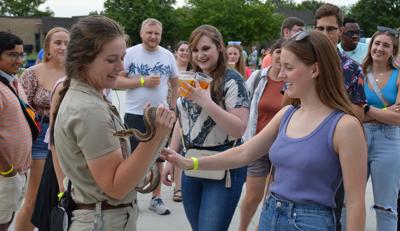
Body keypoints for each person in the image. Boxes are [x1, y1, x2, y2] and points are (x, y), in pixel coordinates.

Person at [163, 31, 367, 231]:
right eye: (280, 66)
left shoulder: (345, 126)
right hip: (271, 213)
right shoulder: (287, 114)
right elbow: (244, 153)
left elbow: (356, 202)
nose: (280, 74)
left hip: (310, 222)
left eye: (288, 67)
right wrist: (191, 163)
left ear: (314, 70)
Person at [51, 15, 175, 231]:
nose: (121, 66)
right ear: (83, 60)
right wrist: (155, 136)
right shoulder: (89, 110)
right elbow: (115, 187)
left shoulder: (89, 97)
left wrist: (140, 169)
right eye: (112, 59)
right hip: (103, 221)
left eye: (122, 57)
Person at [161, 25, 250, 231]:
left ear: (219, 48)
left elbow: (238, 129)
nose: (200, 55)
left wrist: (207, 102)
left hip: (224, 165)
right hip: (190, 162)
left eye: (205, 48)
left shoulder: (233, 81)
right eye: (195, 50)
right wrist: (172, 157)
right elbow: (182, 121)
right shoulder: (189, 78)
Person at [114, 18, 178, 215]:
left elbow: (175, 84)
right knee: (132, 157)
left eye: (157, 33)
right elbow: (116, 82)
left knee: (158, 157)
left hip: (160, 114)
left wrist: (173, 109)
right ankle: (131, 197)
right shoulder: (131, 53)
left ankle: (156, 198)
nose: (153, 36)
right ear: (142, 33)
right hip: (135, 114)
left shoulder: (167, 56)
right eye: (149, 32)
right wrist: (142, 81)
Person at [313, 5, 367, 229]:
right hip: (300, 143)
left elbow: (358, 115)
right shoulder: (302, 63)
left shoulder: (351, 69)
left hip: (334, 149)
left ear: (340, 31)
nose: (325, 34)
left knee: (332, 212)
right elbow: (288, 103)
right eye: (320, 29)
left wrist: (328, 100)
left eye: (331, 29)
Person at [15, 27, 70, 231]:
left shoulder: (77, 73)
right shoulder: (32, 73)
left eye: (67, 42)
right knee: (35, 198)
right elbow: (21, 110)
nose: (63, 46)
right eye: (58, 42)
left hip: (69, 137)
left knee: (62, 195)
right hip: (40, 137)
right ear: (47, 46)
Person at [239, 38, 285, 231]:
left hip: (283, 147)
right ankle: (242, 228)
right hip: (257, 144)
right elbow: (243, 104)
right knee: (252, 196)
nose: (281, 57)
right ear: (270, 54)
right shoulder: (258, 77)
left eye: (286, 53)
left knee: (272, 197)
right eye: (278, 52)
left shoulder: (294, 81)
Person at [361, 27, 400, 231]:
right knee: (349, 201)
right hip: (358, 137)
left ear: (393, 50)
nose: (380, 48)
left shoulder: (398, 76)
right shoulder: (358, 74)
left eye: (386, 45)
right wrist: (385, 111)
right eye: (377, 43)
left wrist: (366, 109)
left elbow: (398, 119)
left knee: (386, 207)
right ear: (371, 46)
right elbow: (351, 112)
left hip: (390, 141)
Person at [0, 31, 31, 231]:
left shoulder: (13, 81)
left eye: (21, 54)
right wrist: (7, 170)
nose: (19, 60)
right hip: (5, 173)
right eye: (12, 55)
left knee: (8, 218)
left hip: (18, 170)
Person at [172, 40, 190, 202]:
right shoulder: (171, 70)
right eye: (182, 50)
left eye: (187, 50)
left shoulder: (193, 71)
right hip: (170, 113)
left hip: (185, 115)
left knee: (180, 150)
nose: (185, 53)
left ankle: (178, 187)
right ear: (176, 52)